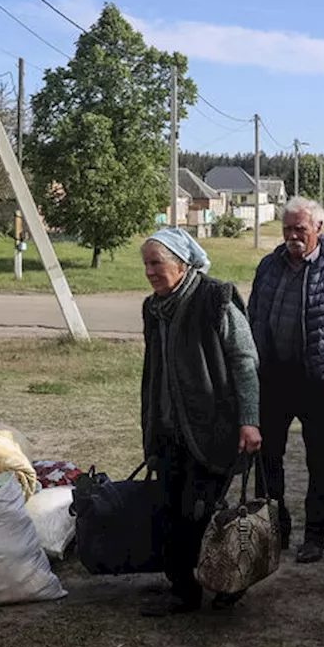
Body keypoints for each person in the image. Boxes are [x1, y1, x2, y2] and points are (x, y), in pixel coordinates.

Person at [139, 228, 262, 616]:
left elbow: (244, 361)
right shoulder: (154, 307)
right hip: (170, 428)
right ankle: (184, 590)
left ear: (181, 263)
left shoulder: (214, 299)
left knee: (205, 511)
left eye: (156, 263)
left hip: (213, 425)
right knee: (173, 508)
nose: (150, 272)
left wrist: (249, 420)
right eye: (146, 264)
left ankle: (230, 580)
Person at [247, 196, 324, 563]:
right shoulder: (269, 266)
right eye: (287, 228)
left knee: (320, 462)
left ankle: (317, 533)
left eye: (300, 228)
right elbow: (253, 317)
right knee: (267, 459)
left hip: (318, 382)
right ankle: (273, 527)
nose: (293, 235)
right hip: (272, 380)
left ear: (318, 228)